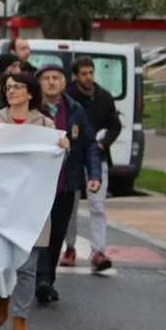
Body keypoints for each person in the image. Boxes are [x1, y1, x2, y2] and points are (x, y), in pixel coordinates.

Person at [0, 71, 68, 330]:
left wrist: (63, 147)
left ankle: (20, 317)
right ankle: (3, 295)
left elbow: (55, 160)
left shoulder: (44, 124)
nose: (11, 91)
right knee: (0, 262)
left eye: (18, 87)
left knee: (27, 266)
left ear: (30, 93)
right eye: (8, 87)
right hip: (0, 203)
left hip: (31, 205)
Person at [35, 64, 100, 305]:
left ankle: (48, 279)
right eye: (46, 78)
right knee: (40, 231)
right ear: (39, 83)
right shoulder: (33, 109)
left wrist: (94, 174)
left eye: (56, 78)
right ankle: (40, 278)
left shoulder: (75, 110)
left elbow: (89, 143)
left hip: (65, 183)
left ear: (64, 83)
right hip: (37, 185)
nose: (51, 82)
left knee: (58, 233)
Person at [62, 56, 121, 271]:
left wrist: (104, 143)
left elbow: (115, 125)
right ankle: (70, 247)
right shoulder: (68, 97)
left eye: (91, 73)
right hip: (74, 158)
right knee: (71, 206)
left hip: (98, 156)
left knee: (97, 205)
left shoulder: (104, 97)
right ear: (75, 76)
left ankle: (98, 251)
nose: (88, 78)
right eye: (83, 74)